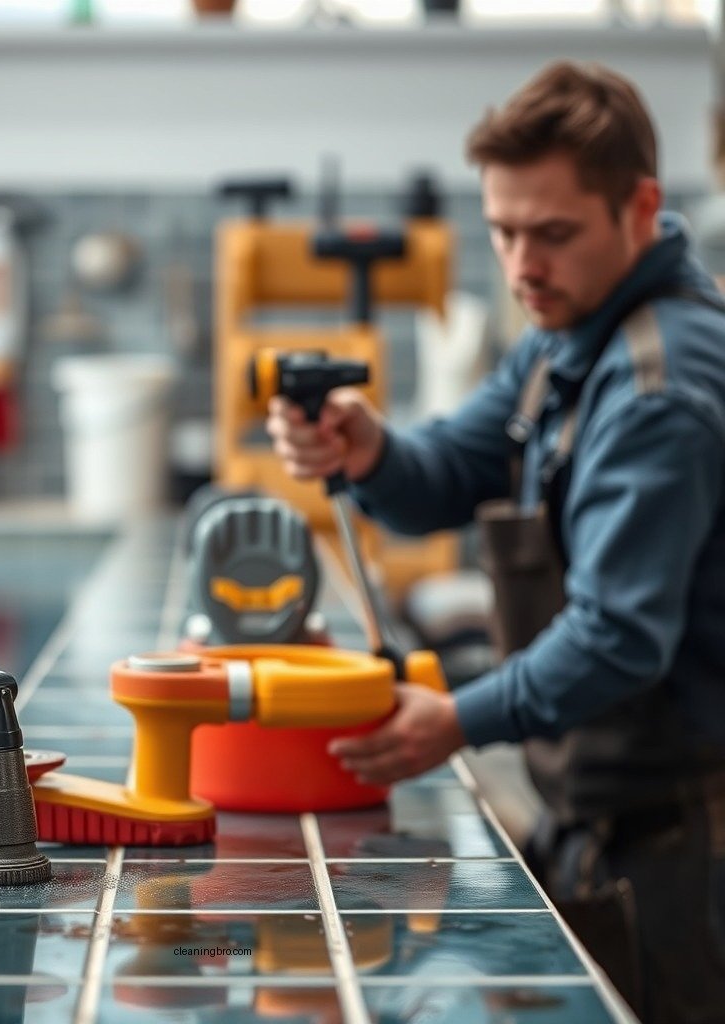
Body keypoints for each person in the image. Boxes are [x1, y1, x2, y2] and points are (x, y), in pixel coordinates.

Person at [266, 61, 725, 1024]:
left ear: (640, 207)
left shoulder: (657, 388)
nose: (521, 266)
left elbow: (617, 637)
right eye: (504, 231)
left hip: (688, 847)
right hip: (608, 814)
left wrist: (454, 720)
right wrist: (369, 444)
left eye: (552, 234)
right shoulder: (571, 333)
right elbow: (445, 470)